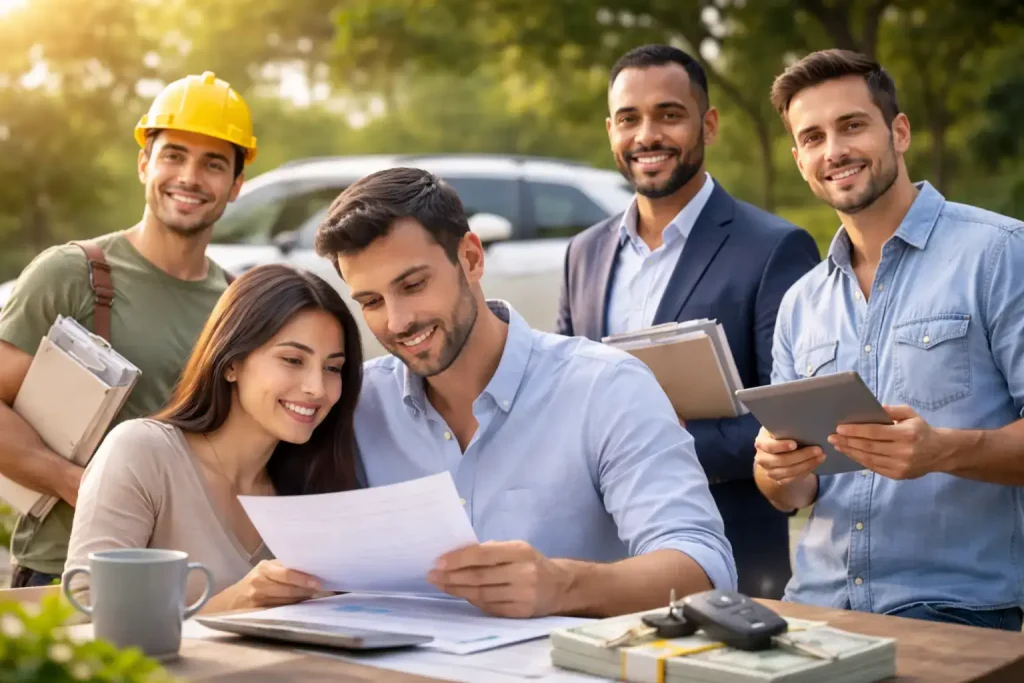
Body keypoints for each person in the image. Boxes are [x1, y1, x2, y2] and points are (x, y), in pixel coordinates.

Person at [313, 166, 736, 619]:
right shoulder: (354, 404)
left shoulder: (607, 387)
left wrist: (565, 586)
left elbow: (704, 567)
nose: (396, 322)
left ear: (471, 259)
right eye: (371, 302)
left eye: (413, 285)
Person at [756, 48, 1024, 630]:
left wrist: (943, 451)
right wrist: (776, 470)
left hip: (956, 613)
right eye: (813, 137)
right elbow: (793, 494)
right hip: (814, 610)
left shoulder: (1001, 253)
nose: (835, 151)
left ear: (899, 132)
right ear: (800, 159)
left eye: (852, 125)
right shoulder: (800, 303)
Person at [555, 44, 821, 599]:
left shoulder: (775, 248)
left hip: (732, 557)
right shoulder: (583, 253)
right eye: (629, 119)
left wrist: (648, 441)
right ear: (611, 131)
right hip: (600, 561)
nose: (647, 135)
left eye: (669, 115)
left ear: (709, 124)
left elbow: (793, 421)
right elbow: (560, 396)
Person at [0, 71, 257, 587]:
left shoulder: (238, 304)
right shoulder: (72, 275)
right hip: (66, 574)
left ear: (235, 186)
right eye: (174, 155)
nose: (189, 176)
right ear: (145, 163)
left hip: (193, 581)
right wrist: (84, 485)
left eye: (212, 164)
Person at [64, 264, 363, 610]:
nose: (316, 388)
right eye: (293, 360)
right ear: (231, 363)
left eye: (333, 368)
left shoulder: (316, 483)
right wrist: (232, 603)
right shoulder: (142, 453)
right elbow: (85, 611)